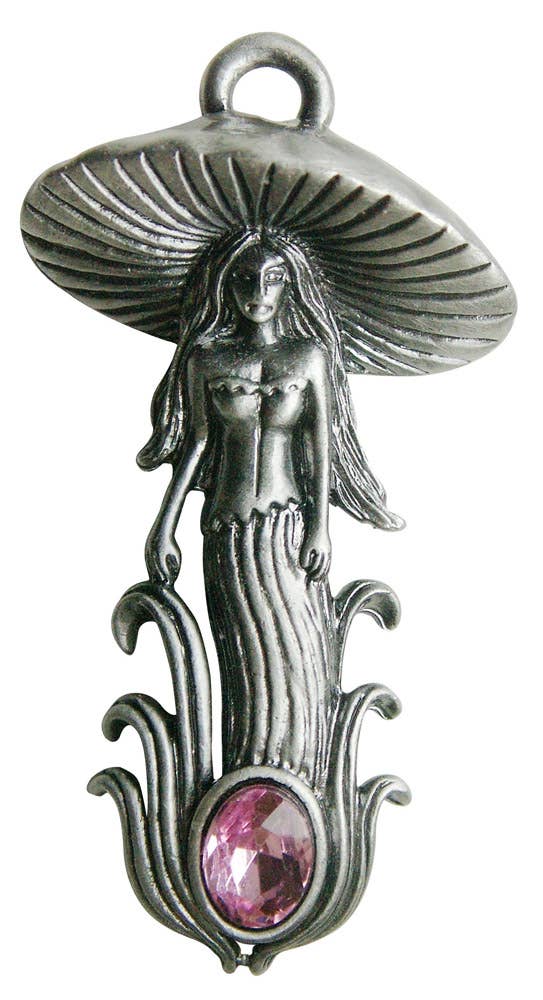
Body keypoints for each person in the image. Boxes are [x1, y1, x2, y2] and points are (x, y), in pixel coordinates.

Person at [138, 230, 402, 788]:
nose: (257, 292)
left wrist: (321, 526)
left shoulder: (309, 357)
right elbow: (198, 444)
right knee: (243, 661)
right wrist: (164, 525)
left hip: (288, 527)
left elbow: (320, 447)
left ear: (290, 287)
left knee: (296, 654)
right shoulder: (207, 358)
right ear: (225, 286)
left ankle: (295, 788)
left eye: (272, 279)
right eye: (244, 279)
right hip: (229, 530)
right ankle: (239, 793)